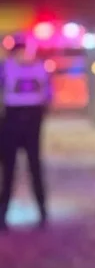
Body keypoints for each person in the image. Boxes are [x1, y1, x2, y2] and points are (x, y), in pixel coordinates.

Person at [0, 33, 52, 230]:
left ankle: (40, 214)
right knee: (16, 170)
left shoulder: (8, 67)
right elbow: (49, 95)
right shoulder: (37, 67)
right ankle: (37, 214)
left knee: (24, 169)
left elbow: (48, 94)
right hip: (18, 119)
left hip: (24, 118)